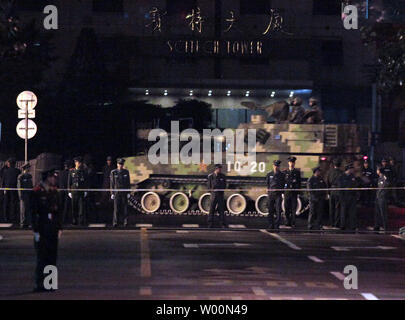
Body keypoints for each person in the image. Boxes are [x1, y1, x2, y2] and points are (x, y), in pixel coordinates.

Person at [32, 169, 62, 292]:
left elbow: (57, 211)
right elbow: (33, 212)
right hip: (42, 228)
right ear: (47, 178)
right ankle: (40, 284)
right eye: (53, 177)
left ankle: (51, 283)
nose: (55, 179)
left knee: (52, 257)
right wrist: (36, 230)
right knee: (42, 258)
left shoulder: (54, 191)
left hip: (52, 228)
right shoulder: (37, 192)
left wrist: (60, 227)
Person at [338, 163, 360, 231]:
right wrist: (341, 198)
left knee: (352, 212)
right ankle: (342, 225)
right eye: (351, 169)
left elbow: (356, 185)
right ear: (348, 169)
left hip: (352, 196)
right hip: (344, 197)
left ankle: (352, 225)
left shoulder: (352, 176)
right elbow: (340, 188)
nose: (352, 170)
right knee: (343, 212)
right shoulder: (341, 177)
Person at [110, 158, 131, 227]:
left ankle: (125, 222)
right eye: (119, 164)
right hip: (117, 192)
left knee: (125, 208)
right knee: (116, 208)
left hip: (124, 192)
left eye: (121, 164)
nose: (120, 165)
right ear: (117, 164)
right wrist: (112, 193)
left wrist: (128, 192)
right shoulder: (113, 172)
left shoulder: (126, 172)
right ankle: (115, 222)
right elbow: (112, 183)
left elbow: (128, 183)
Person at [68, 157, 88, 226]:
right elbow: (69, 182)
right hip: (74, 191)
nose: (79, 164)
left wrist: (85, 190)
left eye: (80, 163)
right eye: (78, 162)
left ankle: (81, 220)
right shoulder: (71, 171)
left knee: (81, 207)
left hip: (81, 191)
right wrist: (69, 191)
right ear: (75, 163)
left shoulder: (83, 171)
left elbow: (85, 182)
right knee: (74, 207)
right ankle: (74, 220)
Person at [266, 160, 285, 230]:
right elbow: (267, 184)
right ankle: (271, 224)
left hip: (278, 195)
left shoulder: (282, 175)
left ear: (279, 166)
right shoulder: (269, 174)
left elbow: (284, 184)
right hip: (271, 195)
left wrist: (282, 192)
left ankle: (277, 225)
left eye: (277, 166)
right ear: (273, 166)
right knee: (270, 211)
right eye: (274, 166)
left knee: (278, 211)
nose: (276, 167)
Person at [283, 156, 301, 228]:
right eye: (290, 162)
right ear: (288, 163)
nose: (291, 163)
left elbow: (299, 182)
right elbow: (283, 182)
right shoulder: (285, 172)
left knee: (293, 208)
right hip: (287, 193)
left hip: (294, 193)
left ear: (294, 163)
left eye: (293, 162)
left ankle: (293, 222)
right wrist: (282, 192)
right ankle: (287, 221)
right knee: (286, 208)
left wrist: (298, 192)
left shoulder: (297, 172)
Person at [2, 158, 21, 224]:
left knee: (6, 204)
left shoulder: (5, 171)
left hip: (7, 189)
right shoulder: (18, 171)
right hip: (15, 189)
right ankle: (13, 217)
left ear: (9, 164)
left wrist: (3, 189)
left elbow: (3, 181)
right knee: (13, 203)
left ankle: (6, 218)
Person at [207, 164, 227, 228]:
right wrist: (212, 191)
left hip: (220, 194)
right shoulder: (211, 176)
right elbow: (209, 186)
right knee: (211, 209)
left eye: (220, 169)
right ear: (216, 169)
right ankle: (210, 223)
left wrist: (220, 190)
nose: (220, 170)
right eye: (219, 169)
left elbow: (224, 185)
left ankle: (222, 223)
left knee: (221, 210)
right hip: (214, 194)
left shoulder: (223, 176)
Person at [326, 158, 343, 227]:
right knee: (337, 209)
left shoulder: (330, 172)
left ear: (334, 165)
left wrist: (328, 192)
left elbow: (327, 182)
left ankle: (331, 223)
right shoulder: (342, 173)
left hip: (332, 191)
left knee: (331, 208)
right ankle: (336, 224)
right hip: (339, 191)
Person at [18, 163, 33, 228]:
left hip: (29, 195)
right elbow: (19, 187)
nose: (29, 169)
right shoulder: (21, 177)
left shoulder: (29, 176)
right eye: (28, 168)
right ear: (25, 169)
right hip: (23, 195)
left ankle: (29, 223)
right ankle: (22, 223)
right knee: (23, 210)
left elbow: (31, 186)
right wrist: (20, 195)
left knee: (29, 209)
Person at [375, 166, 389, 231]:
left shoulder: (384, 177)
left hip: (382, 197)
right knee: (378, 213)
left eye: (377, 170)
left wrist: (382, 194)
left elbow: (385, 186)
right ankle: (377, 226)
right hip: (378, 197)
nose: (376, 171)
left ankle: (385, 227)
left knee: (383, 213)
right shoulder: (379, 178)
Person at [59, 160, 72, 225]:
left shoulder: (60, 173)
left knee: (61, 206)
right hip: (67, 191)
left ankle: (61, 219)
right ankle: (66, 220)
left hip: (61, 191)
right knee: (67, 206)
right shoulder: (70, 173)